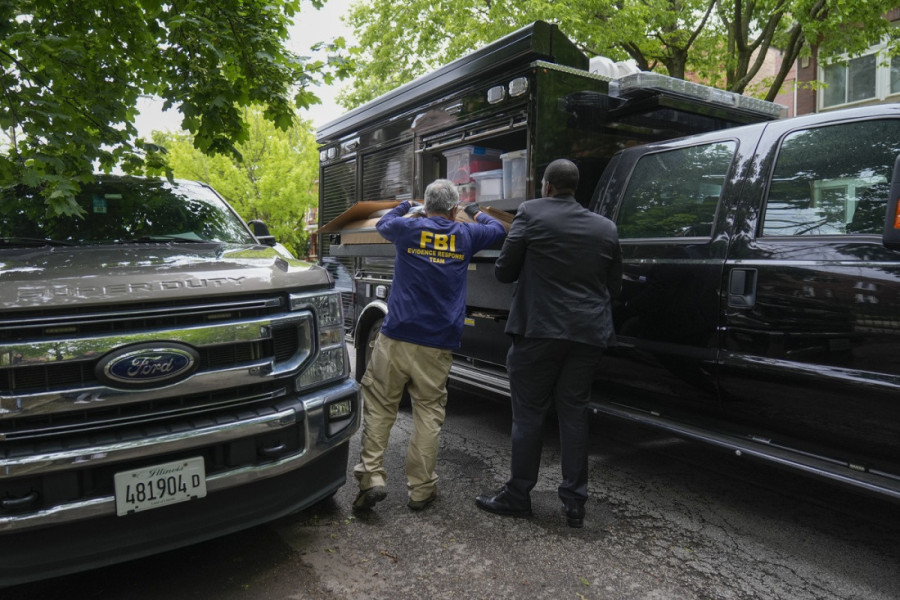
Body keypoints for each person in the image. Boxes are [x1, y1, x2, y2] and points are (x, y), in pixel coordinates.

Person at [474, 158, 622, 528]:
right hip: (588, 334)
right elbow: (615, 286)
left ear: (548, 186)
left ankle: (518, 495)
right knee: (574, 414)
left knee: (529, 416)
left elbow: (504, 271)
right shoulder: (606, 228)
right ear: (575, 187)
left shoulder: (530, 213)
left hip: (539, 331)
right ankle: (574, 503)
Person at [353, 179, 507, 512]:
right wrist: (473, 211)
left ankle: (372, 479)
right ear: (453, 209)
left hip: (396, 336)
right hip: (437, 344)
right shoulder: (466, 235)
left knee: (381, 407)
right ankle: (421, 490)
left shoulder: (409, 231)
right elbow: (498, 230)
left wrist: (408, 207)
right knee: (428, 414)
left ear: (427, 205)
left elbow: (384, 224)